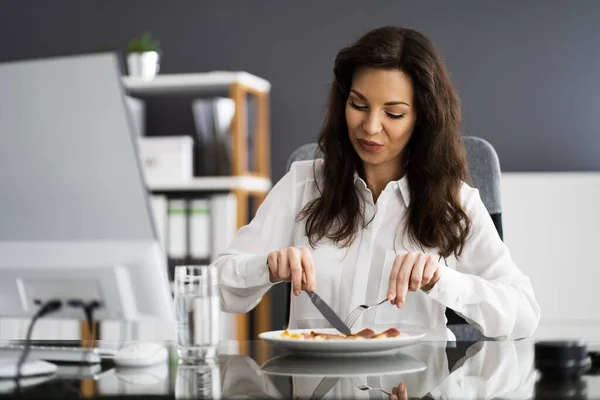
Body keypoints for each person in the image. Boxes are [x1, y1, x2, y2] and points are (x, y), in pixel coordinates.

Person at [214, 26, 540, 340]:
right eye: (358, 105)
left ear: (422, 118)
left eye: (393, 114)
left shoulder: (455, 201)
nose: (370, 127)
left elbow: (524, 314)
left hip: (415, 389)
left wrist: (442, 279)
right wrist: (266, 267)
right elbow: (219, 289)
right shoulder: (302, 184)